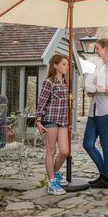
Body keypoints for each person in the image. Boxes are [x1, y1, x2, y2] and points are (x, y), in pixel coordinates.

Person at [83, 39, 108, 189]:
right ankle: (105, 174)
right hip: (94, 110)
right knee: (87, 144)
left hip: (107, 111)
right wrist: (91, 90)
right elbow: (93, 86)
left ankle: (106, 179)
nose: (96, 51)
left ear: (106, 49)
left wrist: (102, 89)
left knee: (105, 143)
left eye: (98, 48)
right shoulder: (98, 67)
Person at [36, 54, 70, 195]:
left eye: (67, 65)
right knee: (51, 150)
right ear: (55, 66)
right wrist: (38, 121)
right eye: (63, 64)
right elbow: (42, 102)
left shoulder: (66, 82)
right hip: (50, 120)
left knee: (64, 152)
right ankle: (51, 182)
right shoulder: (49, 82)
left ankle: (54, 173)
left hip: (62, 121)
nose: (66, 67)